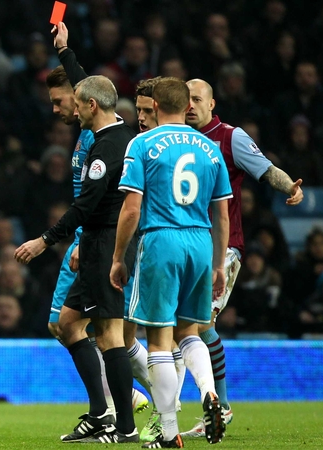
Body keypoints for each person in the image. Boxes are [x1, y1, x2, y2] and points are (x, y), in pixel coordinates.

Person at [15, 75, 139, 443]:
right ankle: (101, 414)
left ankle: (126, 427)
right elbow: (89, 83)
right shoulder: (118, 132)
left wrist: (44, 241)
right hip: (97, 243)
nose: (70, 109)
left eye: (75, 103)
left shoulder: (105, 149)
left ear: (91, 105)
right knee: (67, 324)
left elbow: (85, 206)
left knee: (110, 335)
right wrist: (64, 50)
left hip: (104, 243)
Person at [111, 77, 233, 448]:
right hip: (201, 241)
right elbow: (222, 214)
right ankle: (210, 392)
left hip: (161, 239)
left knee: (159, 341)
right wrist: (218, 264)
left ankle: (167, 431)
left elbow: (132, 209)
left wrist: (118, 257)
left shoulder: (142, 143)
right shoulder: (210, 148)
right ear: (187, 106)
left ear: (155, 105)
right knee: (190, 332)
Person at [179, 78, 304, 438]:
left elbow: (265, 168)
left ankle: (220, 405)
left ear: (212, 104)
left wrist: (290, 187)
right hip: (183, 246)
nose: (190, 105)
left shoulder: (230, 137)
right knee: (187, 328)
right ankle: (203, 405)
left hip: (223, 247)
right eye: (185, 99)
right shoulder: (175, 137)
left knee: (200, 324)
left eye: (197, 99)